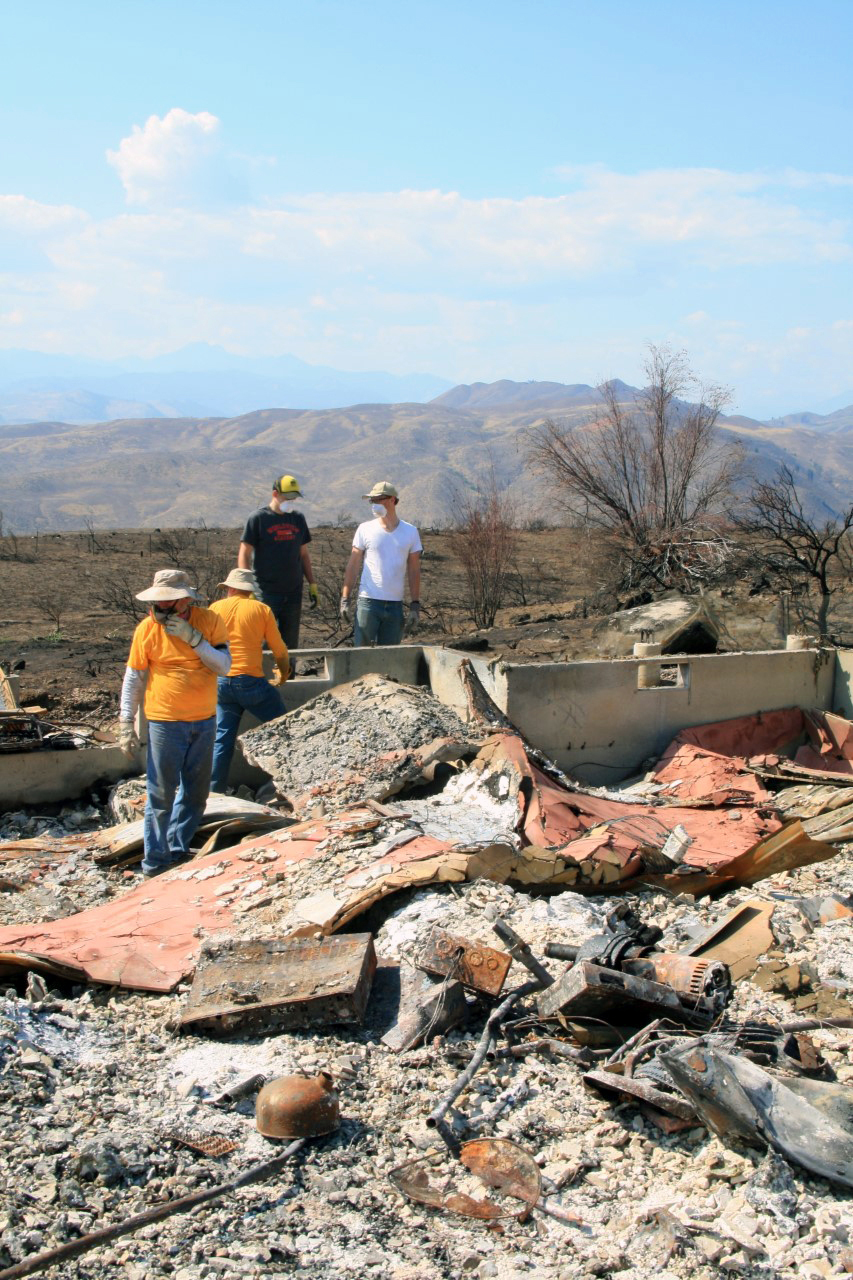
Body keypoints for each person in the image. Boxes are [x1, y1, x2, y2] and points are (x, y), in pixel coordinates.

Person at [117, 569, 231, 878]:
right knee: (161, 794)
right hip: (165, 722)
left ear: (185, 602)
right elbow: (134, 678)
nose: (162, 610)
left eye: (169, 604)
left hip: (204, 721)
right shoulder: (146, 630)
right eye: (158, 603)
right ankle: (155, 863)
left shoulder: (208, 622)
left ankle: (177, 849)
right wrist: (126, 722)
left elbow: (223, 665)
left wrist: (194, 640)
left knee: (195, 793)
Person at [208, 567, 291, 791]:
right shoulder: (261, 609)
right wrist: (283, 672)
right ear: (248, 590)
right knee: (284, 730)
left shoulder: (215, 608)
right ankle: (290, 781)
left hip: (222, 683)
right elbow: (279, 649)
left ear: (231, 588)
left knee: (222, 740)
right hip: (250, 683)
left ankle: (214, 793)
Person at [238, 474, 318, 650]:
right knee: (263, 641)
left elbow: (303, 554)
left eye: (294, 498)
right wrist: (246, 587)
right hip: (265, 592)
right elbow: (244, 553)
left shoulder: (297, 519)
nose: (291, 501)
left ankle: (287, 676)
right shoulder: (258, 518)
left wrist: (312, 584)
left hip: (293, 591)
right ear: (275, 494)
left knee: (289, 644)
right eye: (287, 497)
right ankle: (261, 678)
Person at [340, 481, 422, 646]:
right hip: (368, 602)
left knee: (389, 657)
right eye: (372, 501)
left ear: (392, 500)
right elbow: (354, 564)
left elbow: (414, 569)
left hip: (395, 605)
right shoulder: (365, 529)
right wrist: (345, 598)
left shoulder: (410, 532)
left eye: (378, 500)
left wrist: (414, 604)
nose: (374, 505)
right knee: (361, 655)